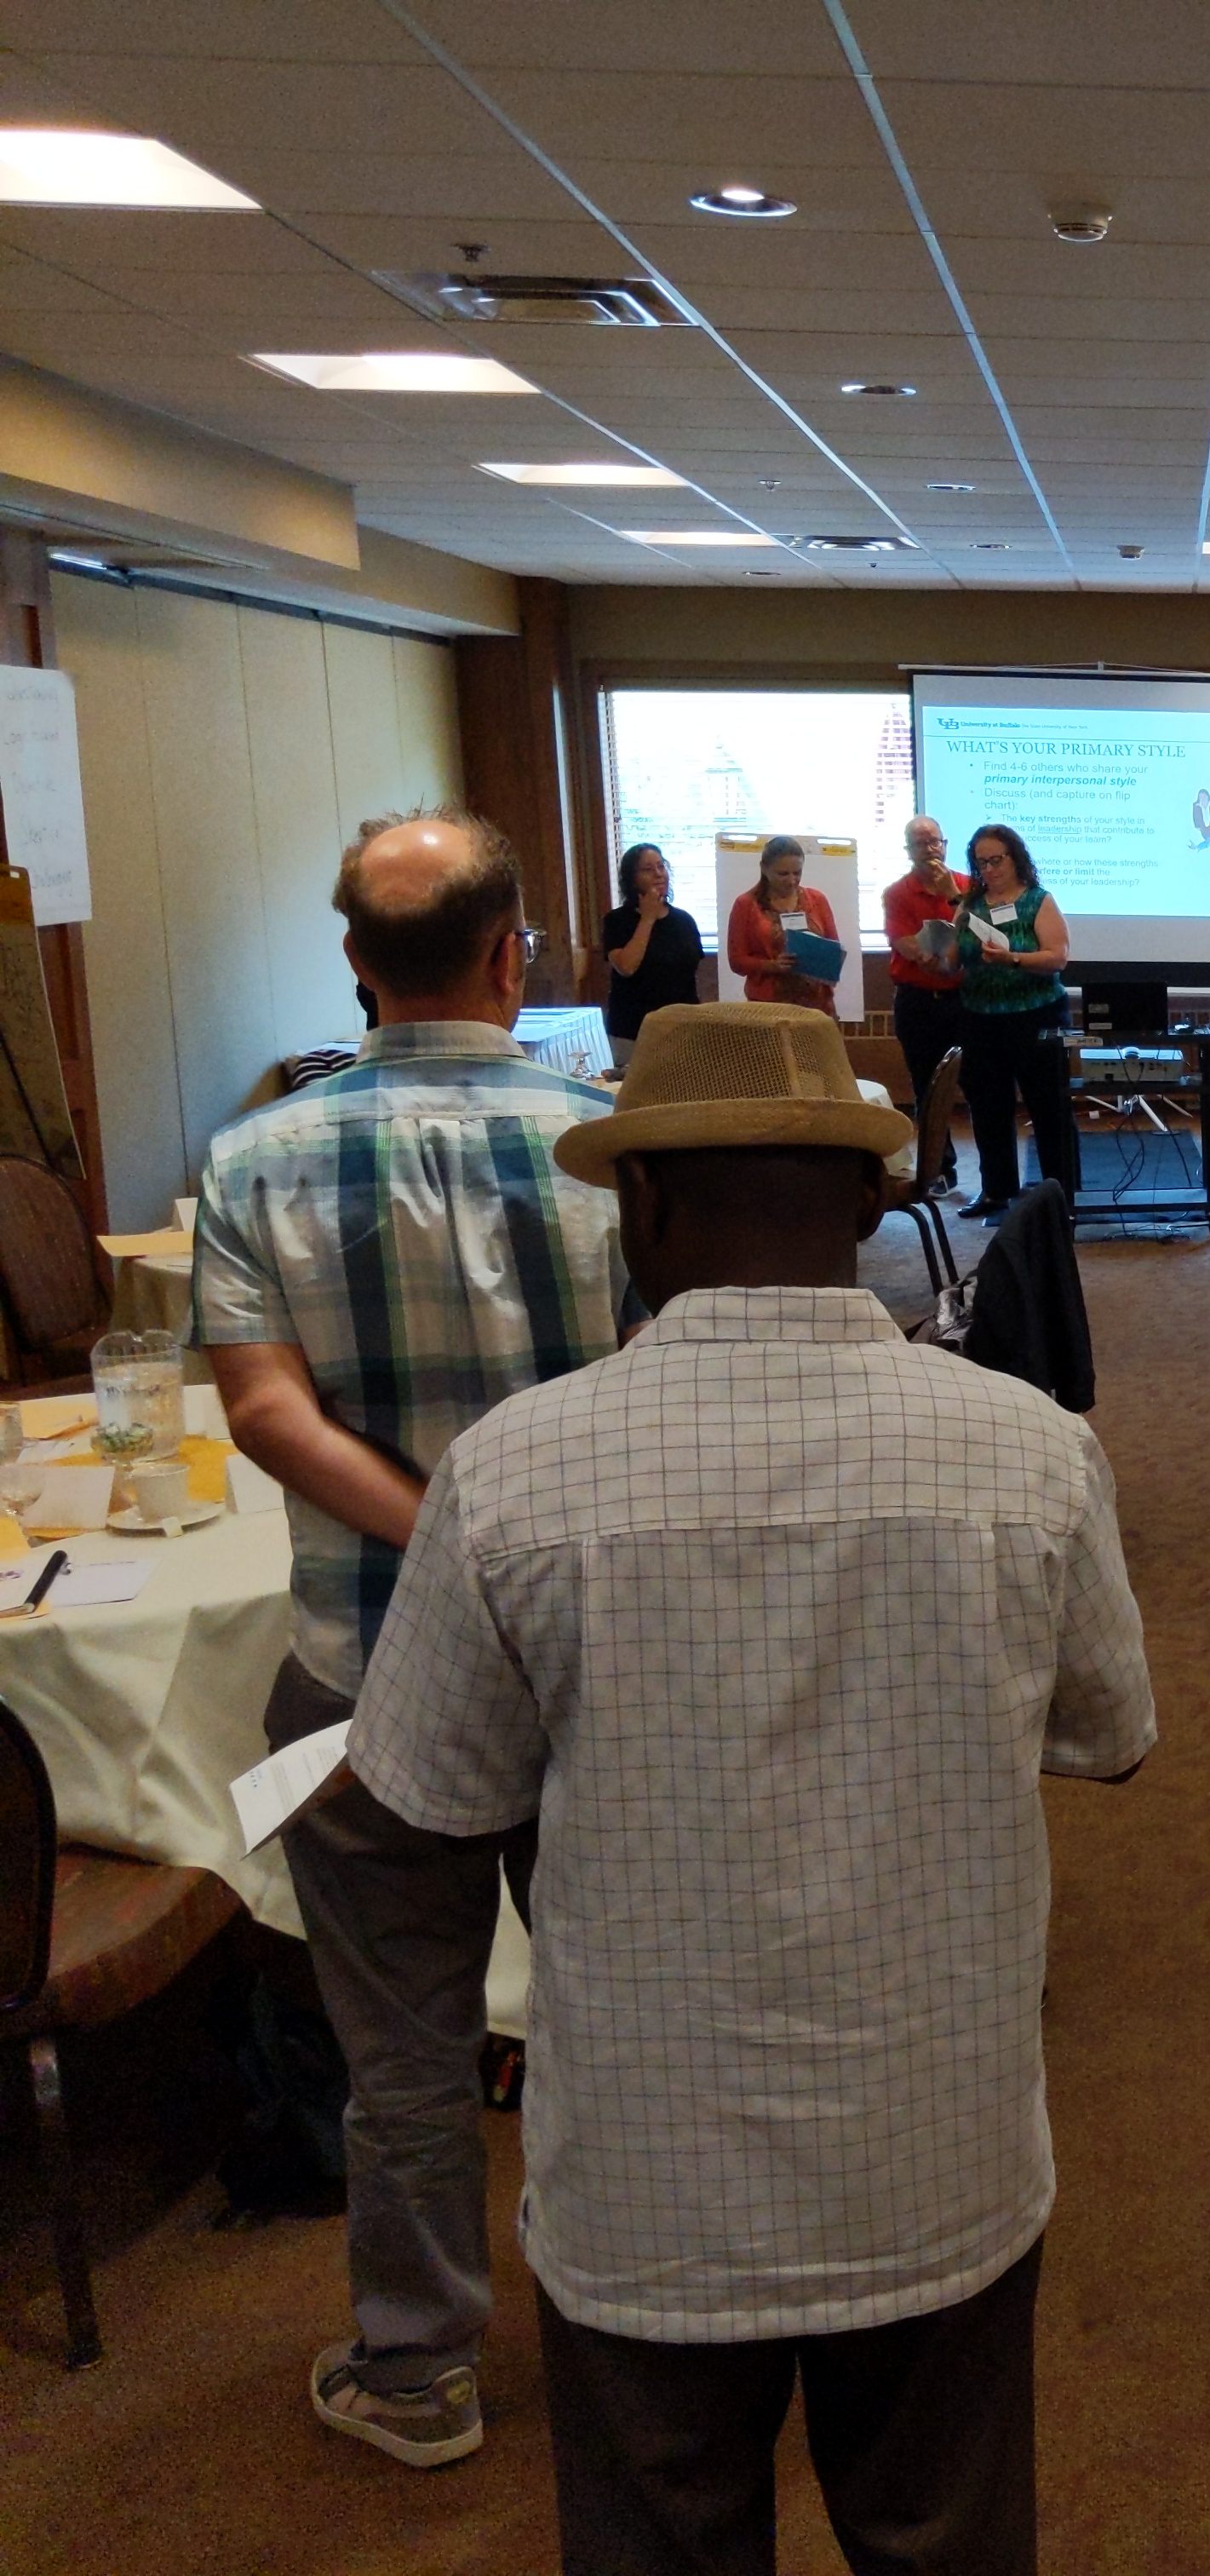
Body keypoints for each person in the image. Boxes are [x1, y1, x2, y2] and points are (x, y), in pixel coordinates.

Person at [346, 1003, 1155, 2570]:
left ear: (640, 1202)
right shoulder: (1030, 1451)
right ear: (869, 1200)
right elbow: (1112, 1733)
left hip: (648, 2191)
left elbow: (433, 1796)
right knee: (945, 2535)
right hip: (939, 2157)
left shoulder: (511, 1471)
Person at [192, 808, 632, 2470]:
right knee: (616, 2014)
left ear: (355, 967)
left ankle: (418, 2369)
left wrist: (440, 1539)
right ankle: (638, 2331)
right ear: (513, 955)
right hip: (591, 1667)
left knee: (401, 2051)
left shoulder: (253, 1159)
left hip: (362, 1672)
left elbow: (265, 1414)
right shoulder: (611, 1146)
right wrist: (513, 1544)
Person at [954, 823, 1080, 1218]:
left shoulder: (1038, 901)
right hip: (981, 1019)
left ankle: (1061, 1192)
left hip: (1036, 1017)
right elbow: (953, 959)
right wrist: (936, 952)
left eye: (996, 860)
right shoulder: (970, 905)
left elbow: (1057, 957)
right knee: (988, 1108)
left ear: (1015, 858)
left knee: (1049, 1107)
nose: (989, 869)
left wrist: (1012, 959)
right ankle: (996, 1190)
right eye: (981, 863)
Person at [882, 813, 967, 1120]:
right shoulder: (897, 893)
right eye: (921, 844)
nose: (930, 850)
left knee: (977, 1083)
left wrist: (953, 895)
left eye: (935, 842)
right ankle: (937, 1153)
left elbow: (980, 933)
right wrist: (928, 960)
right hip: (918, 1003)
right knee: (927, 1087)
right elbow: (904, 942)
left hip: (964, 1000)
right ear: (908, 851)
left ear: (945, 845)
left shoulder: (967, 886)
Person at [596, 842, 703, 1070]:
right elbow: (626, 967)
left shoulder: (684, 921)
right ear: (632, 879)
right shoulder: (617, 921)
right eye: (648, 869)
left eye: (661, 866)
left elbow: (690, 977)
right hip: (633, 1031)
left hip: (682, 1028)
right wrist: (648, 918)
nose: (658, 874)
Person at [725, 835, 839, 1011]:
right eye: (783, 874)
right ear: (764, 868)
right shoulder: (746, 905)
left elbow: (834, 948)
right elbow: (737, 961)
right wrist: (772, 966)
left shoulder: (817, 899)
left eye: (797, 873)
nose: (792, 881)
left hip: (817, 1006)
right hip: (769, 1007)